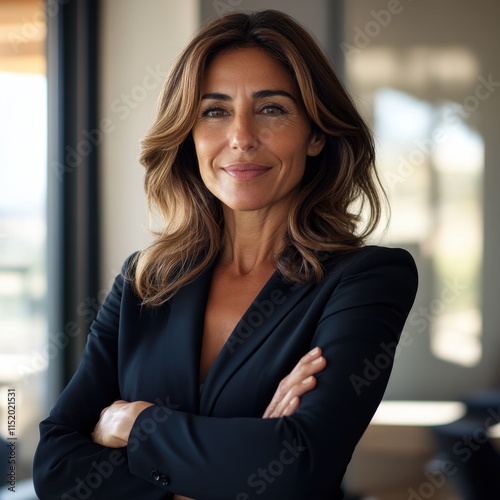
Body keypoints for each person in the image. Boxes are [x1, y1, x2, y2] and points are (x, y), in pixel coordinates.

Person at [33, 9, 418, 500]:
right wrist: (236, 460)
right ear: (189, 133)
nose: (240, 137)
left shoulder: (367, 279)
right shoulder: (144, 281)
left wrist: (131, 422)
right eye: (214, 111)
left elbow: (299, 466)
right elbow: (55, 467)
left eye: (272, 109)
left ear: (316, 133)